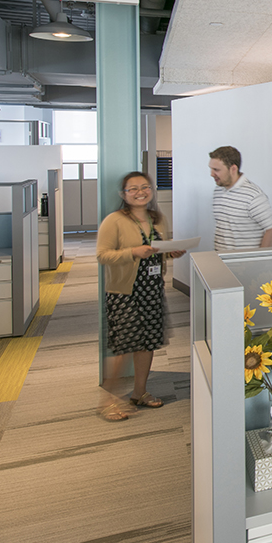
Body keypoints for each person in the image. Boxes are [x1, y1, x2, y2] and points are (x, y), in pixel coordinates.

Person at [96, 171, 181, 421]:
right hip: (125, 292)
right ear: (123, 194)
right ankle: (108, 401)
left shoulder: (157, 219)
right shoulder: (114, 220)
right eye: (133, 189)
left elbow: (157, 251)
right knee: (124, 345)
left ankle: (139, 393)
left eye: (144, 187)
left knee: (147, 344)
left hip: (153, 290)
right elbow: (103, 255)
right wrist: (133, 251)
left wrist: (170, 252)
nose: (140, 192)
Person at [209, 145, 272, 251]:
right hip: (220, 260)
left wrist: (257, 259)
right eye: (211, 169)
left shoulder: (253, 196)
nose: (212, 174)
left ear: (233, 169)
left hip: (244, 265)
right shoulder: (218, 190)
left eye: (216, 170)